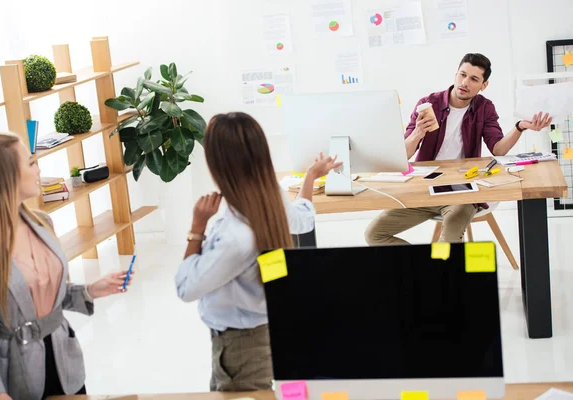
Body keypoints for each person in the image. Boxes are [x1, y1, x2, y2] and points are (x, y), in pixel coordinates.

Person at [175, 112, 341, 391]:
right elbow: (302, 217)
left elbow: (186, 288)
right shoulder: (269, 196)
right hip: (266, 331)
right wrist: (312, 176)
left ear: (217, 163)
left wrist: (197, 227)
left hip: (239, 347)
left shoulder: (235, 237)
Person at [0, 133, 134, 400]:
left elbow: (44, 293)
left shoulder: (42, 223)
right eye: (31, 163)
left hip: (65, 364)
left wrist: (89, 290)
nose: (39, 169)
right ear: (6, 176)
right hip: (12, 379)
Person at [365, 53, 552, 245]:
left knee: (448, 244)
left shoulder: (485, 108)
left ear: (483, 85)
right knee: (374, 234)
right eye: (462, 75)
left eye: (473, 79)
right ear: (455, 74)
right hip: (424, 189)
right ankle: (423, 270)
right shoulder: (428, 104)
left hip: (462, 192)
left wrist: (520, 126)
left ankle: (435, 271)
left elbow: (498, 150)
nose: (465, 82)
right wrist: (417, 133)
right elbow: (404, 154)